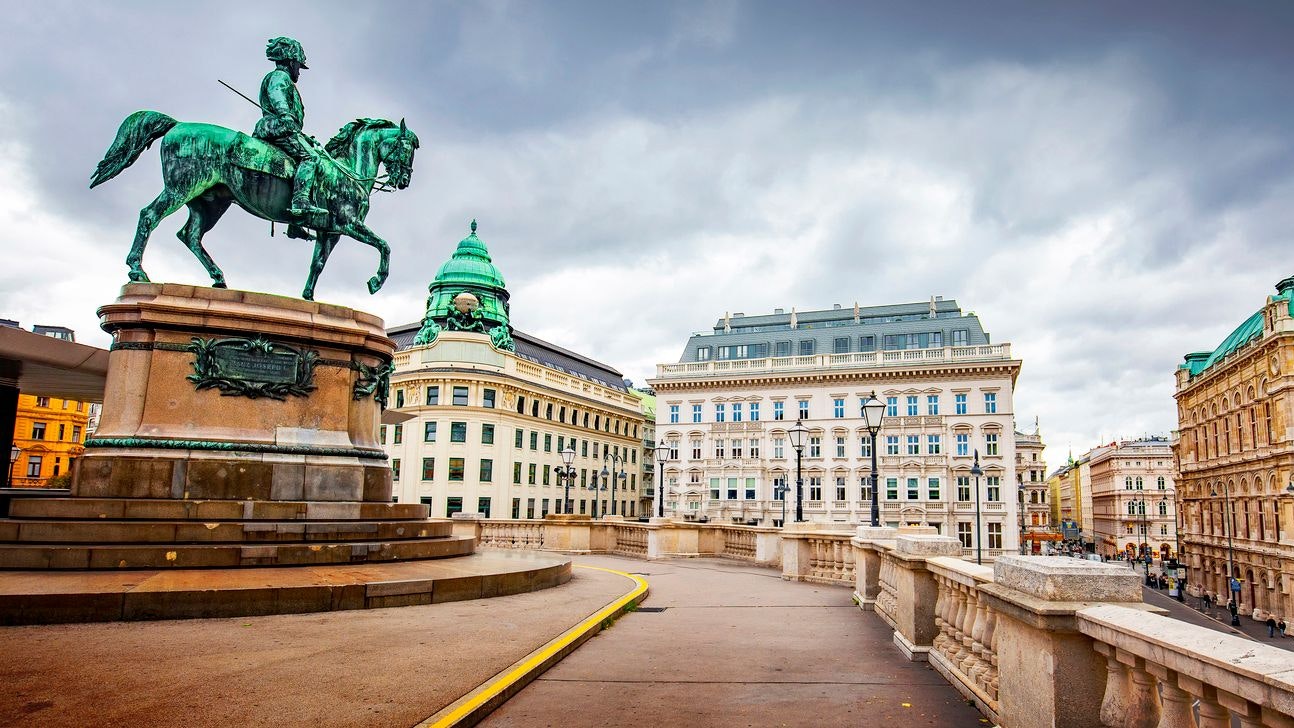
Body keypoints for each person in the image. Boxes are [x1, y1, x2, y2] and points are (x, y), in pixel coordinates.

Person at [254, 36, 327, 240]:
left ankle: (295, 224)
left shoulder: (283, 78)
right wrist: (285, 115)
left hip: (284, 128)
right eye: (298, 66)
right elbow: (277, 96)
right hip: (276, 127)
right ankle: (300, 202)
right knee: (311, 158)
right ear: (291, 61)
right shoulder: (279, 77)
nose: (299, 71)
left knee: (306, 157)